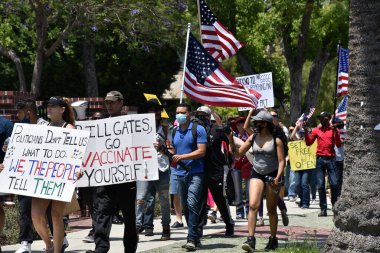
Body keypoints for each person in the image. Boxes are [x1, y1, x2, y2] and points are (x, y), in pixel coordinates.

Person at [86, 91, 138, 253]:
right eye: (107, 102)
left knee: (129, 216)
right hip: (105, 177)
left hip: (126, 178)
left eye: (113, 102)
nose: (109, 105)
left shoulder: (133, 124)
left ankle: (130, 248)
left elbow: (140, 147)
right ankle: (101, 248)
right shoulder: (100, 125)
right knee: (102, 213)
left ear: (121, 103)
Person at [232, 110, 285, 252]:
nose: (255, 125)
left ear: (266, 124)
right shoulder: (253, 137)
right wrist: (231, 140)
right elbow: (239, 153)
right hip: (257, 173)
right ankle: (250, 239)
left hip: (273, 175)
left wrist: (277, 177)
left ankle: (273, 239)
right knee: (253, 205)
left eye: (259, 122)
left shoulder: (276, 140)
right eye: (255, 122)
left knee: (271, 209)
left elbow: (281, 162)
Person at [31, 96, 75, 253]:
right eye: (48, 105)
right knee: (36, 216)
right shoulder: (42, 128)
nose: (49, 108)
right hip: (42, 178)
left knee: (56, 216)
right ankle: (49, 245)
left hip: (60, 178)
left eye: (53, 106)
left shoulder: (69, 129)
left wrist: (78, 166)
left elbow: (75, 154)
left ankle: (57, 250)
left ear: (62, 110)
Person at [14, 98, 50, 253]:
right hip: (25, 176)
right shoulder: (20, 129)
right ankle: (25, 243)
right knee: (24, 209)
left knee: (48, 212)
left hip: (43, 176)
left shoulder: (46, 127)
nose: (17, 116)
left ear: (28, 113)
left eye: (20, 113)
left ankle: (59, 238)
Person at [170, 103, 207, 251]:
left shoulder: (198, 129)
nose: (180, 115)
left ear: (189, 114)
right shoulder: (173, 131)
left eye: (183, 112)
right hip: (179, 174)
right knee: (185, 207)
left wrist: (182, 157)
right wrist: (163, 150)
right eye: (178, 112)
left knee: (192, 204)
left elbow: (201, 151)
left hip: (195, 173)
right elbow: (173, 150)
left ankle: (191, 238)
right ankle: (195, 236)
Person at [195, 106, 235, 237]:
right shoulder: (195, 130)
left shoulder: (216, 129)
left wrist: (230, 153)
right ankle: (199, 228)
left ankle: (229, 224)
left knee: (220, 199)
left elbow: (229, 136)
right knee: (200, 201)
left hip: (216, 170)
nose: (200, 117)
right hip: (200, 169)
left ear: (209, 117)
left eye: (203, 115)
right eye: (198, 114)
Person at [135, 99, 171, 240]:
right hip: (144, 168)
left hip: (161, 167)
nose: (156, 112)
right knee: (141, 199)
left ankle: (165, 228)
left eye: (157, 110)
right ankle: (137, 228)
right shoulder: (139, 127)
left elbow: (172, 149)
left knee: (163, 199)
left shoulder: (166, 128)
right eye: (152, 110)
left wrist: (162, 148)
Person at [303, 111, 341, 217]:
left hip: (331, 159)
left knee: (334, 184)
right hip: (320, 159)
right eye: (320, 118)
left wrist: (336, 132)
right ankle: (323, 209)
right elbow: (308, 143)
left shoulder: (334, 129)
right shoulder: (316, 130)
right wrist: (306, 131)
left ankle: (334, 205)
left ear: (328, 118)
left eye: (323, 118)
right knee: (320, 186)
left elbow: (338, 144)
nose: (321, 120)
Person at [82, 111, 105, 243]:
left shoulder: (108, 134)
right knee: (89, 203)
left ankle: (95, 230)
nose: (97, 120)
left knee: (98, 204)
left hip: (101, 176)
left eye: (99, 118)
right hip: (86, 175)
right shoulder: (86, 133)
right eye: (95, 118)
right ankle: (96, 226)